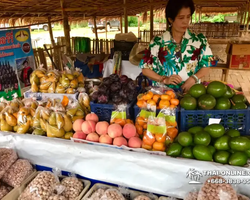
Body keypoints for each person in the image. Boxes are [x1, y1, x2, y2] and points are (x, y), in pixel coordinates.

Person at [139, 0, 213, 92]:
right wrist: (164, 79)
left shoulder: (200, 41)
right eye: (181, 18)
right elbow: (145, 69)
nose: (186, 21)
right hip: (163, 96)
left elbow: (207, 65)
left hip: (191, 94)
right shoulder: (157, 42)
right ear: (170, 19)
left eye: (188, 17)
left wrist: (193, 78)